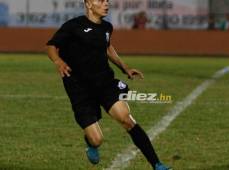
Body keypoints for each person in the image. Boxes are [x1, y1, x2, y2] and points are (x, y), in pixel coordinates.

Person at [46, 0, 170, 169]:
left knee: (126, 118)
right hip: (79, 89)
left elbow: (107, 47)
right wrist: (58, 61)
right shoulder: (73, 25)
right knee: (97, 139)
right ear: (89, 4)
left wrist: (124, 67)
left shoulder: (107, 27)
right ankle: (90, 142)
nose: (106, 4)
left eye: (107, 1)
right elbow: (52, 46)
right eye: (101, 1)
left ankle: (157, 164)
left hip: (104, 83)